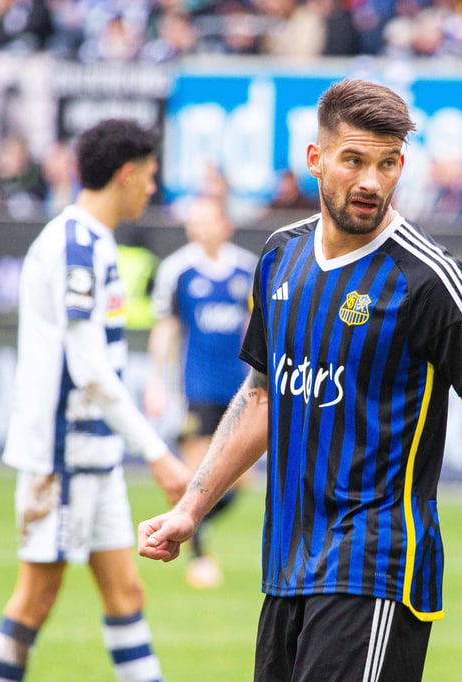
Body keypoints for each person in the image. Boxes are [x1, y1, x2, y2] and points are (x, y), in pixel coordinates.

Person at [138, 78, 462, 681]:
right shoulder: (279, 258)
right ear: (316, 160)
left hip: (376, 569)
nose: (371, 181)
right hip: (287, 566)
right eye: (353, 160)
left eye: (388, 163)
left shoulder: (432, 280)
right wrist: (193, 507)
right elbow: (262, 398)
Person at [0, 118, 190, 682]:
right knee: (35, 600)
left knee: (126, 592)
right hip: (61, 458)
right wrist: (157, 451)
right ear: (125, 175)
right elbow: (90, 371)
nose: (152, 189)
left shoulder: (93, 241)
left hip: (93, 457)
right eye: (148, 177)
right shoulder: (76, 244)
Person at [143, 193, 259, 589]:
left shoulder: (248, 269)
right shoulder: (178, 271)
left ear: (225, 224)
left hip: (241, 389)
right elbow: (167, 327)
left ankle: (188, 525)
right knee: (198, 474)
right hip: (196, 389)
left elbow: (256, 329)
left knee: (241, 479)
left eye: (208, 219)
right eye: (195, 220)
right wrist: (158, 380)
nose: (200, 227)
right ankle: (200, 556)